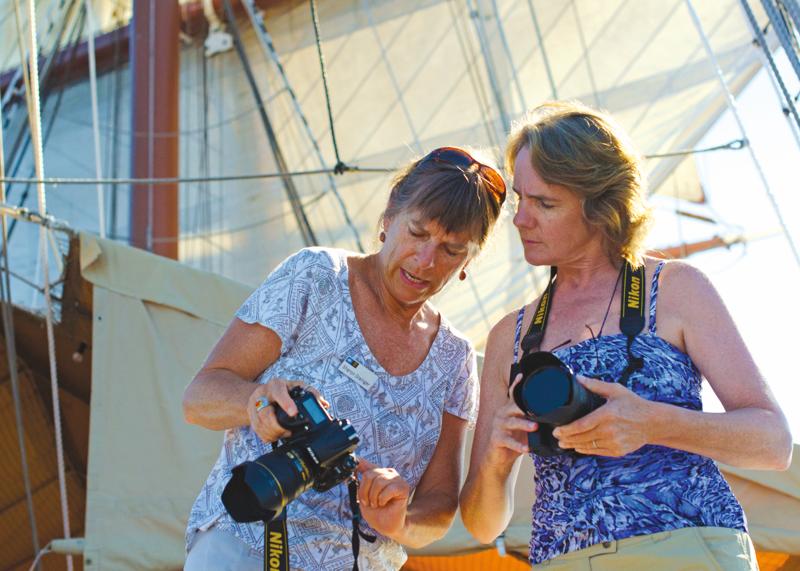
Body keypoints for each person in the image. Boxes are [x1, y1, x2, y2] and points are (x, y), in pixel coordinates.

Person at [459, 101, 792, 570]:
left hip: (690, 551)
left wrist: (648, 422)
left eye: (544, 203)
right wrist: (494, 462)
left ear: (600, 206)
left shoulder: (675, 288)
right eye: (520, 200)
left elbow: (773, 443)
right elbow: (481, 525)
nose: (520, 220)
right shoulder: (508, 337)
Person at [182, 146, 506, 571]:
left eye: (451, 249)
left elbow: (439, 507)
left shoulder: (455, 359)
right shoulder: (315, 276)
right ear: (388, 219)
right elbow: (199, 397)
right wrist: (255, 401)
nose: (426, 260)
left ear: (468, 262)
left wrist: (401, 519)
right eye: (418, 232)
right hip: (245, 545)